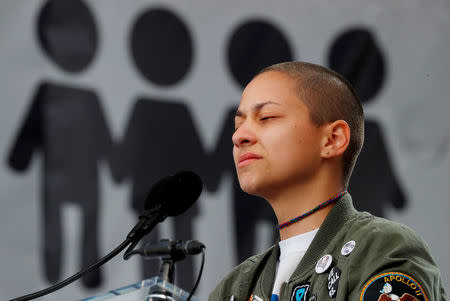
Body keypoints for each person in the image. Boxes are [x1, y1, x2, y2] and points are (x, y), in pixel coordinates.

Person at [208, 61, 447, 301]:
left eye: (267, 117)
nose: (239, 136)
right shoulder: (236, 287)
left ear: (333, 139)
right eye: (238, 124)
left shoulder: (381, 249)